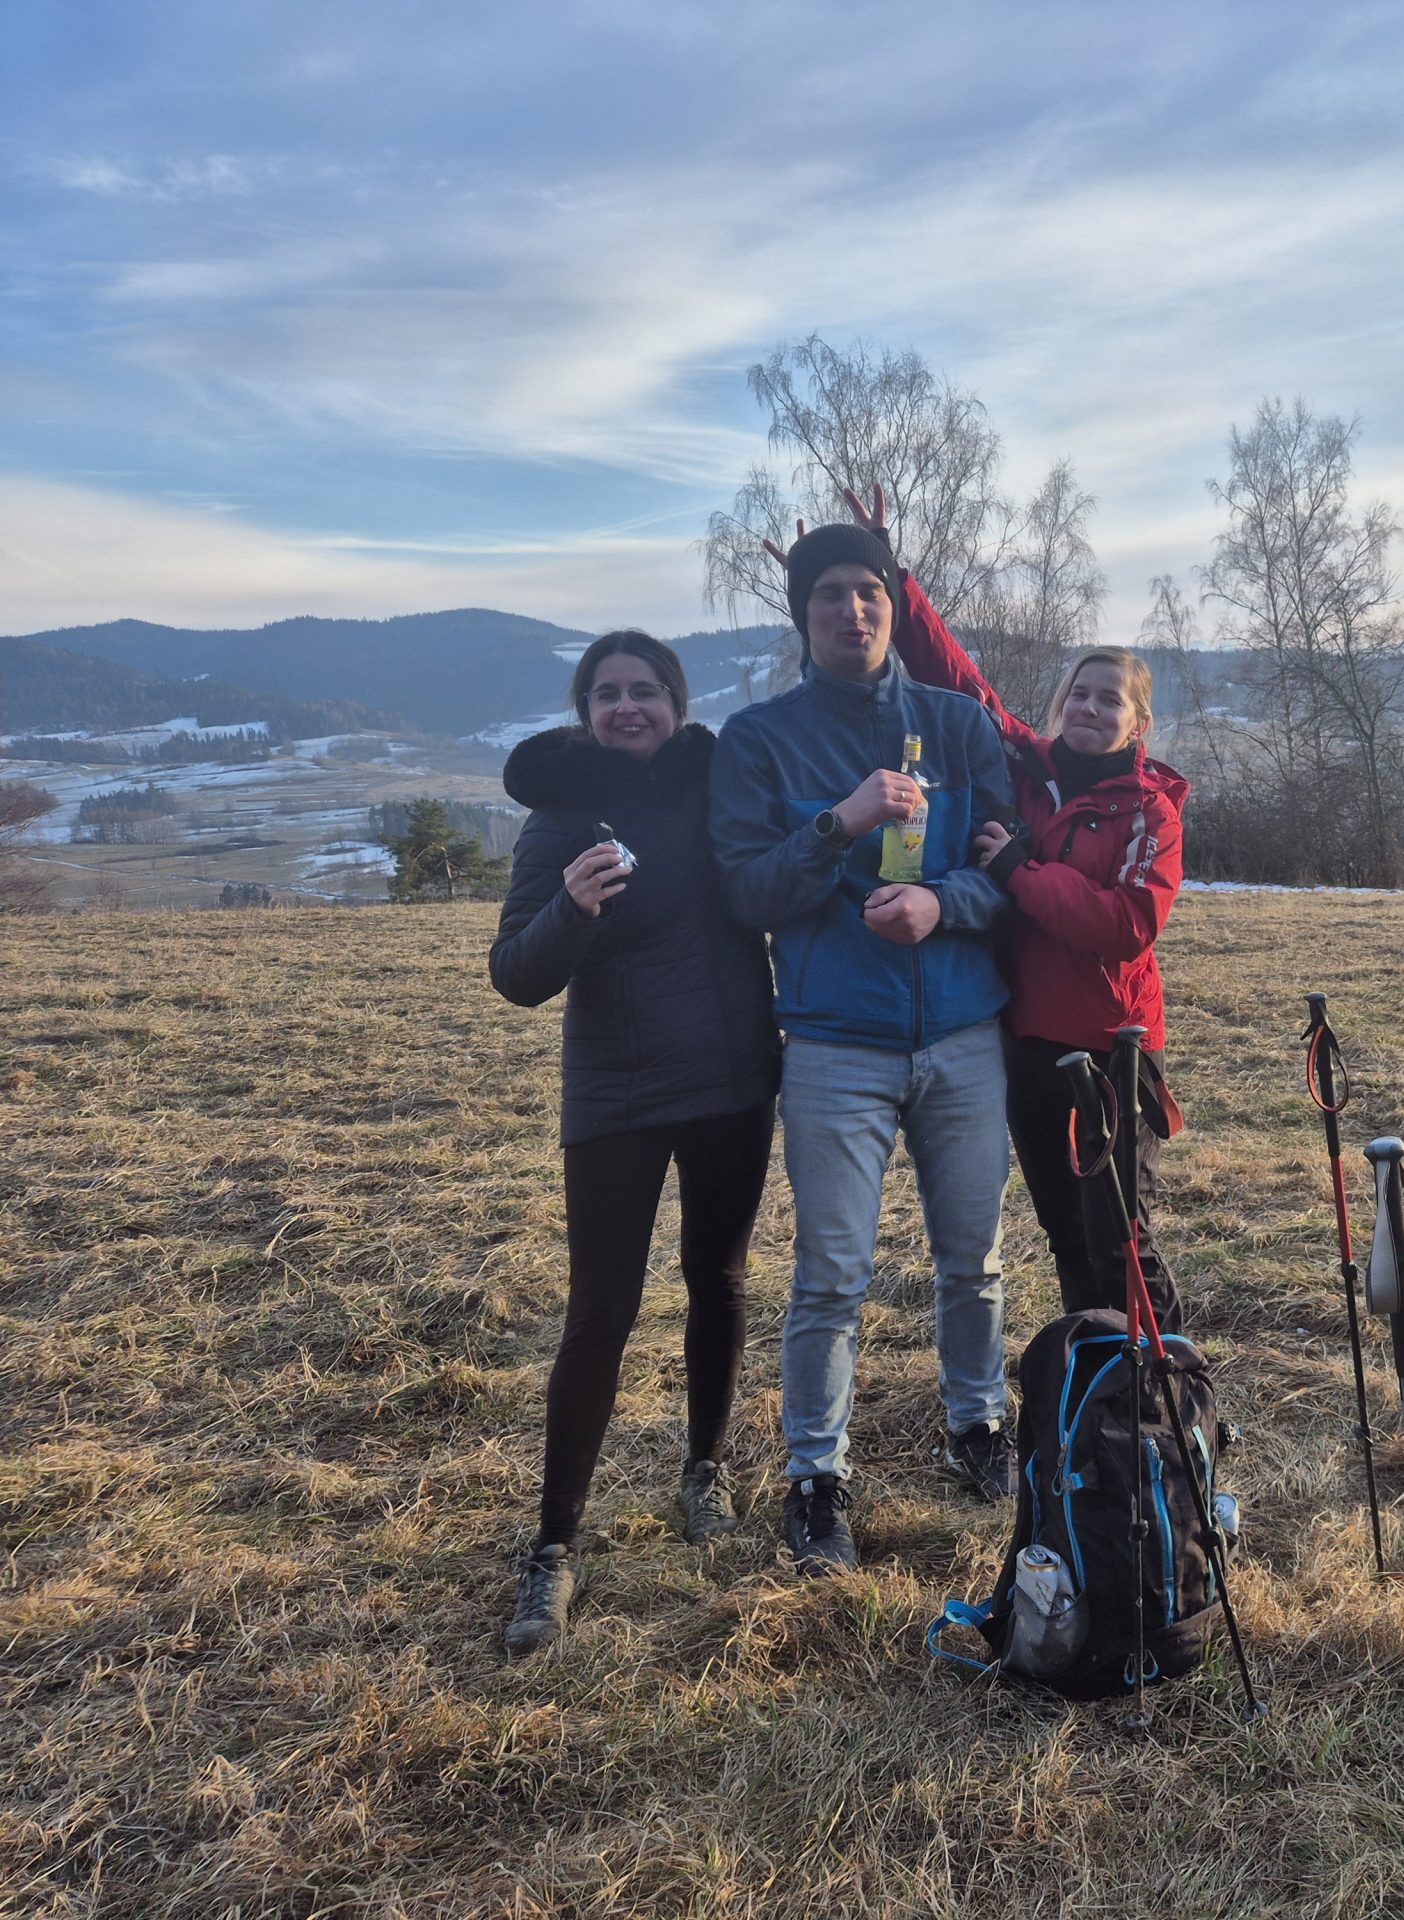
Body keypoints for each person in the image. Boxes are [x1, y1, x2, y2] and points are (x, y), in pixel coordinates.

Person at [708, 520, 1020, 1578]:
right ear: (802, 613)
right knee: (831, 1275)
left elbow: (1006, 873)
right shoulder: (760, 740)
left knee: (973, 1261)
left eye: (869, 591)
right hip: (834, 1045)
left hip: (963, 1035)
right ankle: (815, 1478)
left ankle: (979, 1425)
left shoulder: (959, 726)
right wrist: (836, 825)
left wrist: (941, 904)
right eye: (830, 593)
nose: (853, 610)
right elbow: (746, 892)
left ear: (893, 605)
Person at [487, 631, 778, 1656]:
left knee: (719, 1281)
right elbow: (516, 974)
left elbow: (777, 880)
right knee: (599, 1313)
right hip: (615, 1089)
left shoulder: (721, 788)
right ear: (584, 712)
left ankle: (705, 1472)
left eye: (645, 690)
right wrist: (570, 909)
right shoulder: (562, 816)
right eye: (606, 693)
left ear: (678, 704)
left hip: (731, 1078)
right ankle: (553, 1547)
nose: (627, 706)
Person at [886, 553, 1188, 1334]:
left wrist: (1020, 871)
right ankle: (1096, 1379)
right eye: (1078, 693)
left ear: (1138, 724)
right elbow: (963, 686)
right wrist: (894, 582)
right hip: (1026, 1044)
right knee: (1063, 1230)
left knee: (1119, 1236)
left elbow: (1127, 928)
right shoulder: (1030, 766)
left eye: (1109, 698)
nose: (1089, 706)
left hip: (1113, 1051)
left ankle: (1167, 1382)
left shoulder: (1151, 812)